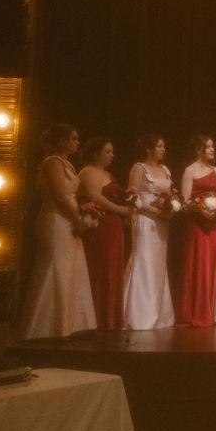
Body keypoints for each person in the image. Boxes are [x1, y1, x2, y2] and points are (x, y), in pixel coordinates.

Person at [19, 124, 96, 340]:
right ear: (62, 141)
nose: (77, 143)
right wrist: (78, 219)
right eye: (73, 138)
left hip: (69, 219)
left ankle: (67, 324)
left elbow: (71, 196)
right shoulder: (52, 163)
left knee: (71, 269)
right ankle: (44, 327)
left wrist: (84, 209)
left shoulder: (68, 164)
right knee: (55, 267)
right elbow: (60, 197)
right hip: (56, 221)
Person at [78, 137, 134, 331]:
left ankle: (111, 318)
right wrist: (121, 210)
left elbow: (114, 195)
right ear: (95, 153)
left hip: (114, 226)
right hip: (101, 225)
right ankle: (100, 318)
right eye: (107, 151)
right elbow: (95, 197)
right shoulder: (89, 172)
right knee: (102, 269)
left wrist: (128, 196)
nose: (112, 155)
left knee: (113, 269)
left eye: (112, 151)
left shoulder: (107, 173)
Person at [124, 134, 176, 330]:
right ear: (149, 149)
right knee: (144, 262)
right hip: (145, 220)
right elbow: (133, 197)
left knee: (158, 266)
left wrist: (170, 207)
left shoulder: (165, 170)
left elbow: (170, 194)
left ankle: (159, 314)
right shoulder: (139, 168)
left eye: (164, 146)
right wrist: (155, 211)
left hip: (162, 223)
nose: (163, 149)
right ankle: (140, 316)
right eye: (159, 146)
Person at [177, 135, 216, 327]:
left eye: (213, 146)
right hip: (197, 225)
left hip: (212, 224)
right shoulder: (190, 170)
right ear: (199, 150)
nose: (212, 149)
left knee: (211, 265)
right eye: (208, 147)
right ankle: (194, 312)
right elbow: (185, 201)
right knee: (198, 264)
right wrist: (202, 210)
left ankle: (209, 312)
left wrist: (215, 209)